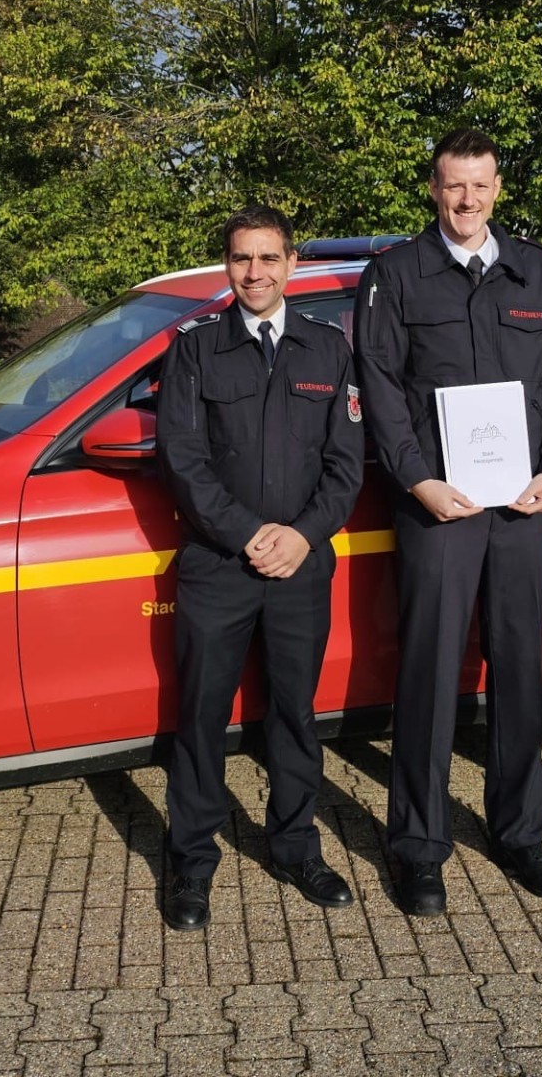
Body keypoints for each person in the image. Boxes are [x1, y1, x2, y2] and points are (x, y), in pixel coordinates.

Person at [355, 128, 542, 916]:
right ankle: (417, 846)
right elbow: (380, 388)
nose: (466, 200)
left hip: (521, 508)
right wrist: (418, 480)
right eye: (454, 185)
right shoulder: (394, 275)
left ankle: (520, 833)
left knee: (520, 672)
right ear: (433, 187)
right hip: (438, 510)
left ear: (498, 189)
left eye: (480, 186)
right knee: (428, 675)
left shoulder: (536, 270)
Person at [155, 204, 365, 930]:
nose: (255, 273)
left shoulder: (328, 350)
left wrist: (302, 537)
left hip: (301, 569)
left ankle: (296, 844)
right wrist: (249, 534)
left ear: (291, 264)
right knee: (201, 717)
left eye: (269, 258)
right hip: (218, 564)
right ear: (228, 266)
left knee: (294, 716)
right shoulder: (195, 349)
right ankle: (190, 860)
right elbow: (183, 461)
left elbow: (344, 467)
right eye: (243, 260)